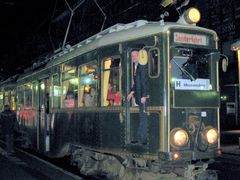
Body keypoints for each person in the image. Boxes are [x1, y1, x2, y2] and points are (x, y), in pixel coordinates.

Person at [127, 50, 149, 145]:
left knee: (143, 118)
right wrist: (132, 92)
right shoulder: (136, 66)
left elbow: (144, 81)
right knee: (142, 118)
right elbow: (137, 83)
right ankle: (141, 139)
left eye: (135, 55)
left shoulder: (142, 65)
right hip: (139, 96)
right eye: (132, 56)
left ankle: (142, 140)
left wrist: (144, 95)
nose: (133, 57)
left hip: (143, 97)